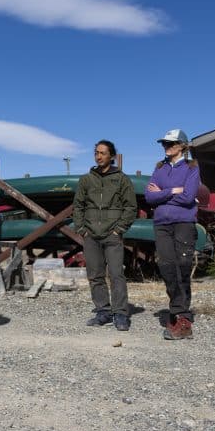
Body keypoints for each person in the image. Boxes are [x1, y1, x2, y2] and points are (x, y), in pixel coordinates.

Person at [73, 140, 137, 331]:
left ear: (111, 156)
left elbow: (131, 207)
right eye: (96, 153)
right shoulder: (86, 179)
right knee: (95, 275)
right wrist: (82, 229)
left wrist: (119, 229)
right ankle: (103, 312)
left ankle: (120, 314)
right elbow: (78, 206)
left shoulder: (121, 179)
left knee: (117, 274)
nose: (98, 156)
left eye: (102, 153)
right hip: (91, 234)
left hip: (112, 234)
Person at [144, 130, 200, 340]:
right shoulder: (159, 168)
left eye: (170, 143)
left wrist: (162, 195)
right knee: (167, 267)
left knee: (182, 267)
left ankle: (182, 318)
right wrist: (172, 191)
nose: (166, 147)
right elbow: (149, 196)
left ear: (182, 145)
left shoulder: (192, 167)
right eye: (164, 144)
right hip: (162, 224)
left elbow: (188, 197)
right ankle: (178, 311)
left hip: (183, 222)